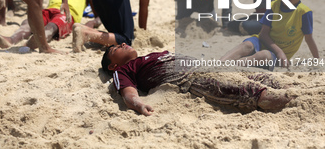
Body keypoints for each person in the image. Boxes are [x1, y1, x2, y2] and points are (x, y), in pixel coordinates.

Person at [101, 43, 291, 116]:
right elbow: (128, 92)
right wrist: (139, 105)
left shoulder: (150, 55)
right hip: (190, 79)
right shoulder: (123, 71)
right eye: (115, 49)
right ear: (112, 66)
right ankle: (291, 101)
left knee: (264, 78)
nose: (124, 44)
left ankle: (296, 93)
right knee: (251, 91)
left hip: (208, 66)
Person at [221, 0, 319, 70]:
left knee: (265, 55)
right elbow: (263, 34)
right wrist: (278, 51)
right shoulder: (274, 5)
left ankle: (233, 65)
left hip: (279, 55)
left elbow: (309, 39)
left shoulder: (304, 13)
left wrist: (317, 59)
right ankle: (220, 62)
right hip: (261, 42)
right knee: (247, 45)